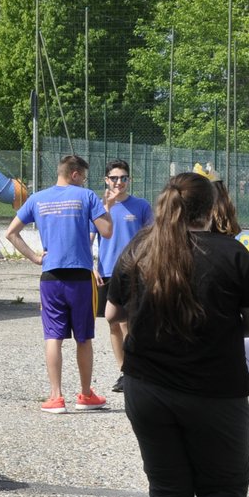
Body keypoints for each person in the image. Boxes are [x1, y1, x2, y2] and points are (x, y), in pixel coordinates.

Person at [106, 172, 249, 497]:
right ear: (209, 207)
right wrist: (215, 325)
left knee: (168, 491)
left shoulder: (140, 247)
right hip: (214, 391)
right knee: (223, 488)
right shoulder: (231, 253)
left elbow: (114, 314)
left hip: (146, 387)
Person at [4, 154, 121, 413]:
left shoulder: (36, 199)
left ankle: (56, 397)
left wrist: (35, 257)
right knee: (83, 338)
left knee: (53, 337)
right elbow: (107, 231)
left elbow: (11, 232)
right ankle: (86, 395)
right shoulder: (87, 196)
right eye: (84, 177)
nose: (85, 181)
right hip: (79, 278)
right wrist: (108, 208)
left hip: (50, 278)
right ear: (75, 174)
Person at [94, 159, 154, 393]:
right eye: (115, 178)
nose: (119, 182)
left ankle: (133, 370)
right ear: (106, 180)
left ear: (129, 180)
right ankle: (124, 371)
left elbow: (151, 237)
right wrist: (91, 266)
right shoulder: (98, 207)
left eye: (124, 178)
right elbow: (90, 238)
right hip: (108, 272)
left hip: (133, 272)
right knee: (113, 323)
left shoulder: (140, 206)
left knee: (127, 322)